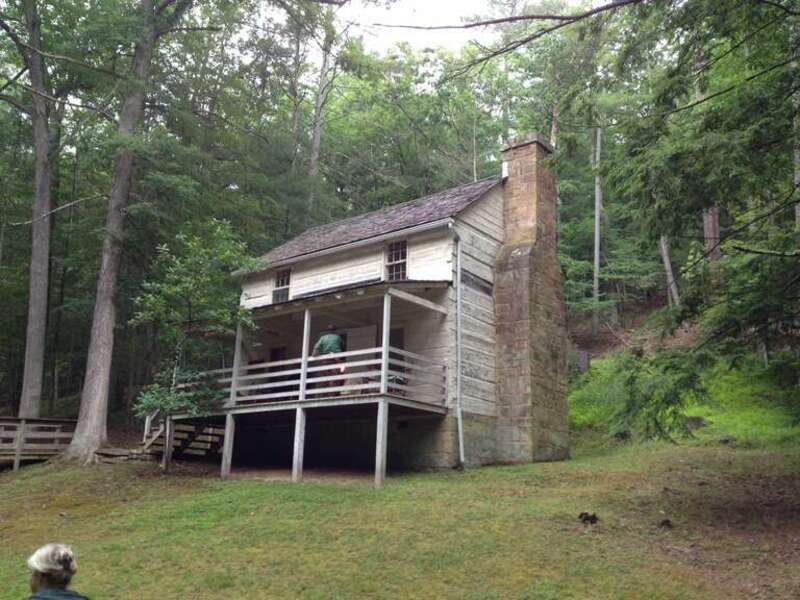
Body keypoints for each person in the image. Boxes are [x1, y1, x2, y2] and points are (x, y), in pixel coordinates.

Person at [312, 325, 345, 395]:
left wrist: (314, 354)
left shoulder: (323, 338)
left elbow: (316, 347)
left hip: (325, 360)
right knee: (335, 377)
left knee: (325, 376)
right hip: (336, 359)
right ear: (335, 330)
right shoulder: (338, 337)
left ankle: (325, 394)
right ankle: (332, 394)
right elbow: (342, 346)